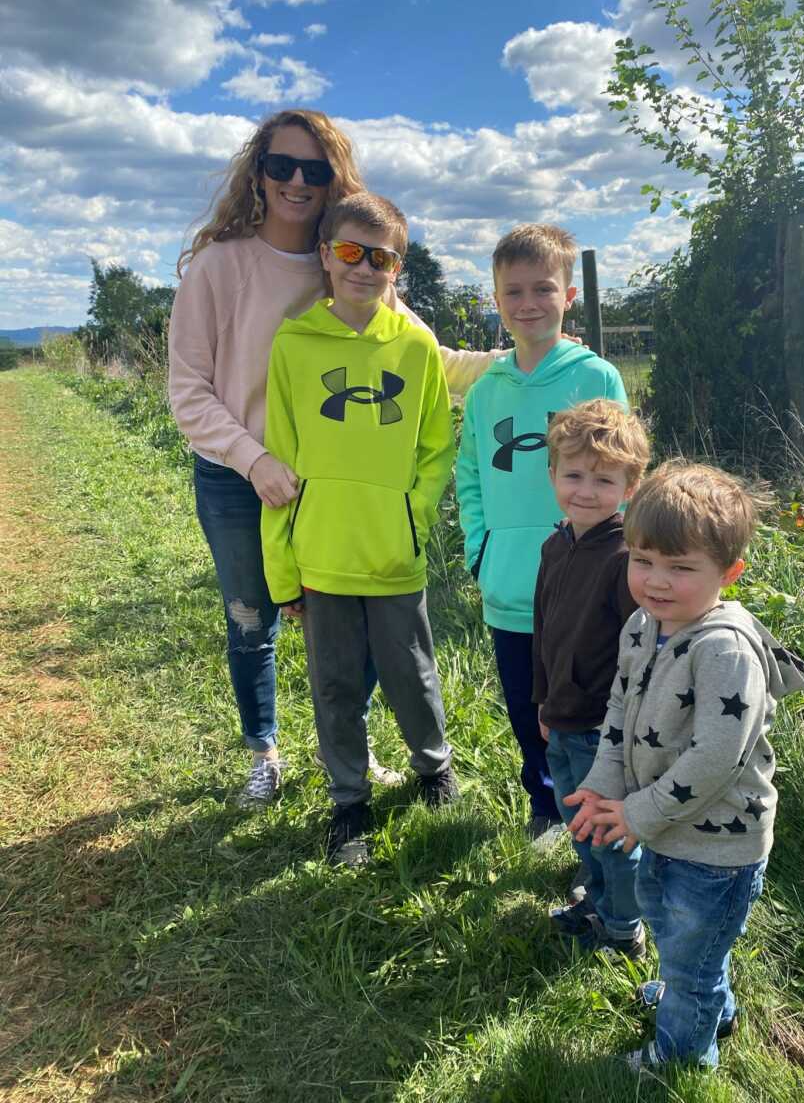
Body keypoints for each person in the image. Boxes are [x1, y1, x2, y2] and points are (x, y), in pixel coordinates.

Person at [168, 109, 496, 809]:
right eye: (281, 165)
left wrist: (518, 361)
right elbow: (187, 388)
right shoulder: (220, 265)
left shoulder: (353, 259)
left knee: (342, 627)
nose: (295, 181)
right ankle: (263, 750)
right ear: (257, 172)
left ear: (332, 181)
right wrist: (254, 460)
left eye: (313, 170)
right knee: (252, 617)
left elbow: (422, 359)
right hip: (237, 478)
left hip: (330, 489)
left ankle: (350, 746)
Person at [566, 461, 804, 1071]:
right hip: (666, 825)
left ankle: (681, 1054)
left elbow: (716, 759)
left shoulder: (724, 651)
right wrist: (603, 782)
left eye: (681, 568)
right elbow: (620, 705)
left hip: (718, 846)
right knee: (683, 938)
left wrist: (638, 812)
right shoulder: (643, 625)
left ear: (729, 572)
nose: (656, 581)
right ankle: (705, 997)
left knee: (691, 948)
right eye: (643, 560)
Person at [261, 192, 458, 866]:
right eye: (349, 252)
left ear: (397, 268)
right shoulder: (294, 344)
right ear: (325, 255)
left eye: (381, 258)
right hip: (322, 557)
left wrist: (413, 516)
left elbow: (436, 446)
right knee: (336, 687)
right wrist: (282, 571)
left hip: (393, 553)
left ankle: (435, 769)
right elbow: (280, 462)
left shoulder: (416, 347)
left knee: (412, 673)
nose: (363, 268)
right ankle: (349, 806)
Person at [456, 224, 628, 844]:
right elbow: (469, 472)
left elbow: (623, 469)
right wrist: (480, 547)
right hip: (509, 581)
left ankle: (596, 805)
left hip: (583, 586)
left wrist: (616, 557)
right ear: (496, 299)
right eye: (514, 292)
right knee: (528, 704)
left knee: (583, 703)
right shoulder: (486, 391)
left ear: (569, 296)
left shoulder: (596, 378)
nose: (528, 304)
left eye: (542, 289)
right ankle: (544, 802)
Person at [534, 399, 650, 958]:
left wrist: (625, 730)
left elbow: (643, 655)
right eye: (573, 474)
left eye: (604, 480)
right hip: (560, 717)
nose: (585, 490)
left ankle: (624, 925)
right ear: (552, 473)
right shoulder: (554, 547)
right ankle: (596, 897)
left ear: (630, 485)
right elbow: (542, 635)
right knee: (576, 819)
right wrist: (542, 703)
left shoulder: (627, 559)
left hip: (605, 730)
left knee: (608, 831)